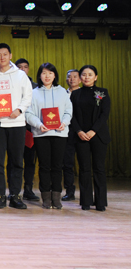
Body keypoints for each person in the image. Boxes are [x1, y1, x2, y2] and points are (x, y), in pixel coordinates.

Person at [0, 43, 32, 209]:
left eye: (5, 54)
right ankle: (1, 195)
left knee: (17, 161)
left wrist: (19, 110)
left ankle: (15, 196)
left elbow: (28, 96)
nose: (2, 57)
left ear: (10, 55)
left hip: (17, 123)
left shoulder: (21, 75)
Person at [25, 63, 72, 209]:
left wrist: (64, 123)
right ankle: (45, 196)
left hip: (60, 133)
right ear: (40, 75)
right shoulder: (33, 93)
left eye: (50, 73)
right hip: (41, 134)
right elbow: (28, 113)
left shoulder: (62, 92)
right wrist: (39, 124)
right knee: (44, 166)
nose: (47, 76)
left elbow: (68, 111)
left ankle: (56, 197)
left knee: (57, 166)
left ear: (55, 75)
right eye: (44, 73)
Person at [70, 65, 110, 211]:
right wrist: (79, 131)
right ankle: (85, 201)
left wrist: (93, 130)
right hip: (80, 136)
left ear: (96, 77)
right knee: (84, 168)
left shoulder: (102, 92)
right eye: (84, 74)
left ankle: (100, 202)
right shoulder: (75, 94)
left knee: (99, 168)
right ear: (80, 77)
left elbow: (104, 114)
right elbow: (71, 115)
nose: (86, 77)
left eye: (90, 74)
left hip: (98, 135)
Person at [9, 58, 40, 202]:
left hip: (31, 129)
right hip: (13, 126)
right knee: (13, 160)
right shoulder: (9, 84)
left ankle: (28, 189)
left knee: (30, 161)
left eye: (25, 67)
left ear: (28, 69)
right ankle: (13, 191)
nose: (22, 69)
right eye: (19, 67)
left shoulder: (36, 87)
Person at [62, 69, 80, 201]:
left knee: (84, 163)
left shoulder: (84, 94)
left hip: (82, 132)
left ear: (80, 79)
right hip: (66, 132)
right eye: (69, 77)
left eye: (75, 76)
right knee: (67, 163)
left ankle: (86, 193)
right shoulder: (62, 94)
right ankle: (69, 191)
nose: (72, 79)